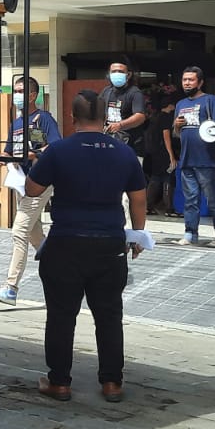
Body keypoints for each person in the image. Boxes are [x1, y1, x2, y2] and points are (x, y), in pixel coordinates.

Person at [25, 90, 147, 403]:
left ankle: (60, 382)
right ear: (106, 118)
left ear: (72, 117)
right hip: (109, 244)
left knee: (61, 316)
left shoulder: (59, 150)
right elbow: (138, 198)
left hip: (66, 243)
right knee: (108, 316)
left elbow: (32, 188)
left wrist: (39, 165)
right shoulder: (123, 154)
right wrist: (137, 234)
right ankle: (112, 383)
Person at [0, 76, 62, 306]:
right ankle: (65, 272)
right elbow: (10, 151)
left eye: (21, 91)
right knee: (35, 234)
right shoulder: (16, 123)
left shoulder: (44, 119)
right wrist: (2, 158)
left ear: (32, 95)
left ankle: (11, 287)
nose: (16, 95)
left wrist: (34, 155)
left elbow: (56, 145)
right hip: (21, 182)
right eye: (15, 91)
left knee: (19, 230)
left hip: (40, 182)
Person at [171, 65, 215, 247]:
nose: (187, 83)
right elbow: (176, 133)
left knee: (214, 200)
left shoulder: (210, 100)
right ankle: (190, 234)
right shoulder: (181, 104)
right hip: (186, 160)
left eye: (191, 79)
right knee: (190, 201)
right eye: (184, 80)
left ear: (200, 82)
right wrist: (176, 125)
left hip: (207, 160)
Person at [96, 59, 147, 152]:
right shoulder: (106, 92)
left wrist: (120, 125)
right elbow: (98, 110)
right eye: (113, 71)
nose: (117, 74)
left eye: (120, 71)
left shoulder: (134, 93)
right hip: (109, 143)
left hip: (131, 145)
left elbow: (140, 116)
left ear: (129, 74)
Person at [142, 83, 177, 216]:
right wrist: (171, 155)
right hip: (163, 152)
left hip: (154, 152)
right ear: (169, 106)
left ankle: (147, 205)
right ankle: (169, 208)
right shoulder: (166, 117)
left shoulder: (154, 117)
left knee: (156, 179)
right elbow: (166, 135)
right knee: (168, 178)